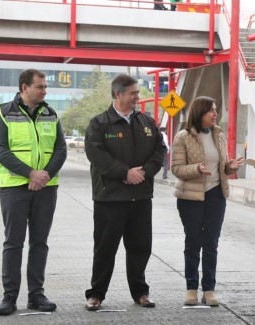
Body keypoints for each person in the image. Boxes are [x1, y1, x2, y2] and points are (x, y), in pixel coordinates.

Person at [84, 74, 166, 311]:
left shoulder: (146, 122)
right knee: (105, 249)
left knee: (141, 247)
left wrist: (144, 172)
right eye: (133, 93)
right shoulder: (99, 124)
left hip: (140, 198)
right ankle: (96, 294)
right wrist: (125, 173)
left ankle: (141, 292)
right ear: (118, 94)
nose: (137, 98)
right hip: (109, 199)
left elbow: (160, 150)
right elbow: (97, 155)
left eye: (137, 93)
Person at [0, 69, 67, 316]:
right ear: (25, 88)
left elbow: (60, 150)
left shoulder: (51, 114)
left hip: (46, 188)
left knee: (39, 242)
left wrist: (43, 175)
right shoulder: (4, 113)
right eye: (40, 86)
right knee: (13, 243)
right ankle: (9, 298)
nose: (45, 90)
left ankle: (36, 295)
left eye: (45, 86)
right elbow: (0, 151)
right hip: (14, 187)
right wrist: (30, 173)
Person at [171, 96, 243, 306]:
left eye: (215, 110)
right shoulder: (182, 137)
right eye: (211, 110)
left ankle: (209, 289)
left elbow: (221, 168)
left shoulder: (218, 135)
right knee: (193, 242)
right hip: (190, 197)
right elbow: (176, 169)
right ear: (199, 113)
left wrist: (230, 167)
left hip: (216, 195)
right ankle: (191, 288)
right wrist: (196, 169)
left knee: (211, 243)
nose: (215, 114)